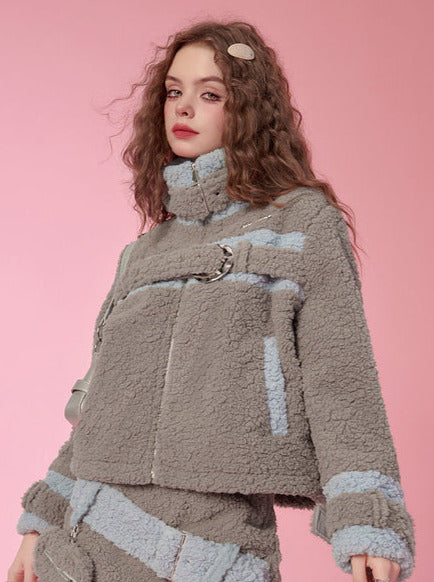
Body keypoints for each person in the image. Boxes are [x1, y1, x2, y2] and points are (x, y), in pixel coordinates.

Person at [8, 19, 415, 582]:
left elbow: (341, 383)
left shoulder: (302, 225)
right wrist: (38, 527)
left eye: (210, 94)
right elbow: (99, 408)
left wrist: (367, 522)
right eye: (174, 91)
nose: (183, 107)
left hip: (210, 554)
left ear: (247, 109)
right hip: (81, 554)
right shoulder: (144, 253)